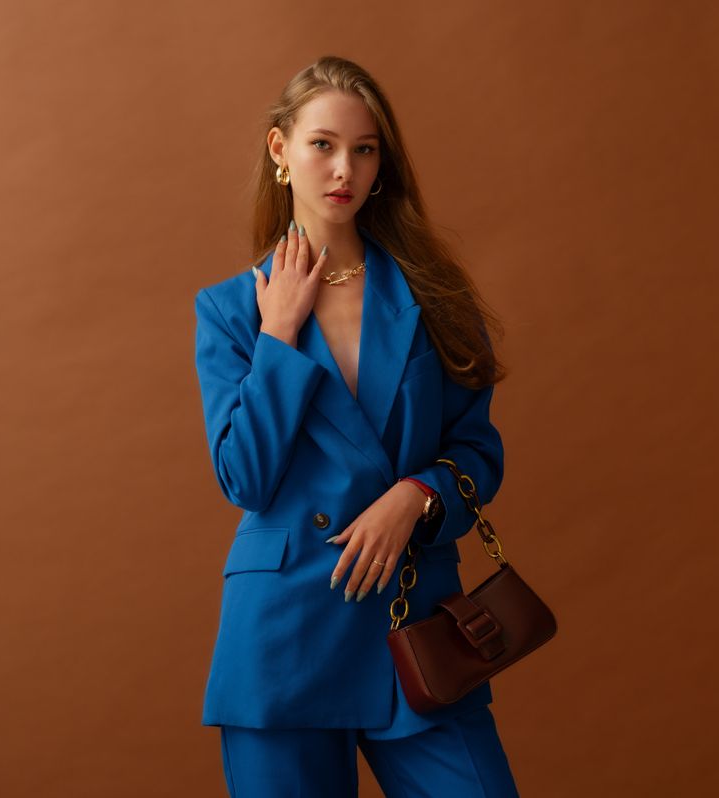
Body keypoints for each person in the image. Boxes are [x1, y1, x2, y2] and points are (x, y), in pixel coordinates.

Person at [192, 55, 520, 797]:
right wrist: (277, 340)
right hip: (283, 638)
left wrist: (417, 497)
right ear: (281, 150)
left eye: (365, 149)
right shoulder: (231, 311)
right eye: (323, 145)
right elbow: (243, 477)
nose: (345, 168)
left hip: (415, 622)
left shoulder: (435, 296)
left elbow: (478, 449)